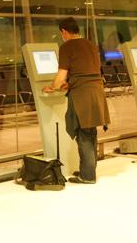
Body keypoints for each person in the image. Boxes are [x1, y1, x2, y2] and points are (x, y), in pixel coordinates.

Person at [44, 17, 110, 183]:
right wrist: (71, 82)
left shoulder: (67, 46)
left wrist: (53, 87)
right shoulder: (90, 44)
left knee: (83, 134)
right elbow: (88, 70)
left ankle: (87, 176)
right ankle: (87, 169)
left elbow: (61, 75)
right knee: (90, 132)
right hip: (96, 91)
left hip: (82, 94)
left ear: (64, 31)